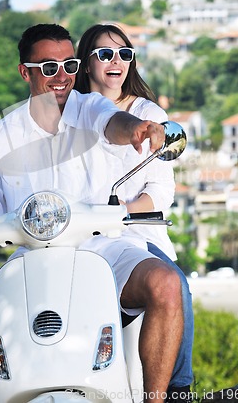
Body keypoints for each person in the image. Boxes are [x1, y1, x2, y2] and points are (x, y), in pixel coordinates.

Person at [0, 23, 188, 403]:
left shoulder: (90, 105)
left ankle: (158, 399)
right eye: (48, 67)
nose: (61, 77)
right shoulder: (3, 134)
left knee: (167, 284)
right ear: (24, 72)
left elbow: (113, 124)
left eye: (70, 65)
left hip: (104, 247)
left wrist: (138, 129)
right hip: (35, 254)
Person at [75, 23, 194, 401]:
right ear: (85, 61)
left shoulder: (147, 113)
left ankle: (177, 387)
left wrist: (119, 210)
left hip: (134, 231)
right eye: (105, 54)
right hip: (74, 234)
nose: (117, 61)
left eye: (124, 54)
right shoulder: (68, 112)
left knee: (175, 285)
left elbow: (161, 192)